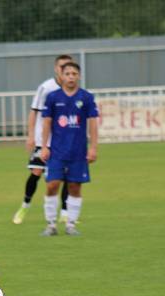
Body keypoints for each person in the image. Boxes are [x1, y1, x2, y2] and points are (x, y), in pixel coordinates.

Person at [12, 54, 73, 225]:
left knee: (66, 176)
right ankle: (25, 205)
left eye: (68, 68)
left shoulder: (72, 90)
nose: (65, 71)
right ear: (56, 69)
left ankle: (65, 213)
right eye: (62, 67)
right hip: (42, 140)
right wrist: (31, 136)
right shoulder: (46, 88)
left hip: (62, 142)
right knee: (36, 172)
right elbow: (34, 112)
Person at [39, 61, 99, 236]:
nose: (71, 77)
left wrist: (93, 148)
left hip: (78, 152)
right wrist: (44, 147)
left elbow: (93, 123)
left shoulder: (86, 97)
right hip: (57, 151)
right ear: (61, 76)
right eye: (68, 74)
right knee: (52, 185)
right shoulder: (53, 98)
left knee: (75, 187)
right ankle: (51, 224)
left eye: (74, 74)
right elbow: (47, 123)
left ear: (79, 76)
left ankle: (71, 224)